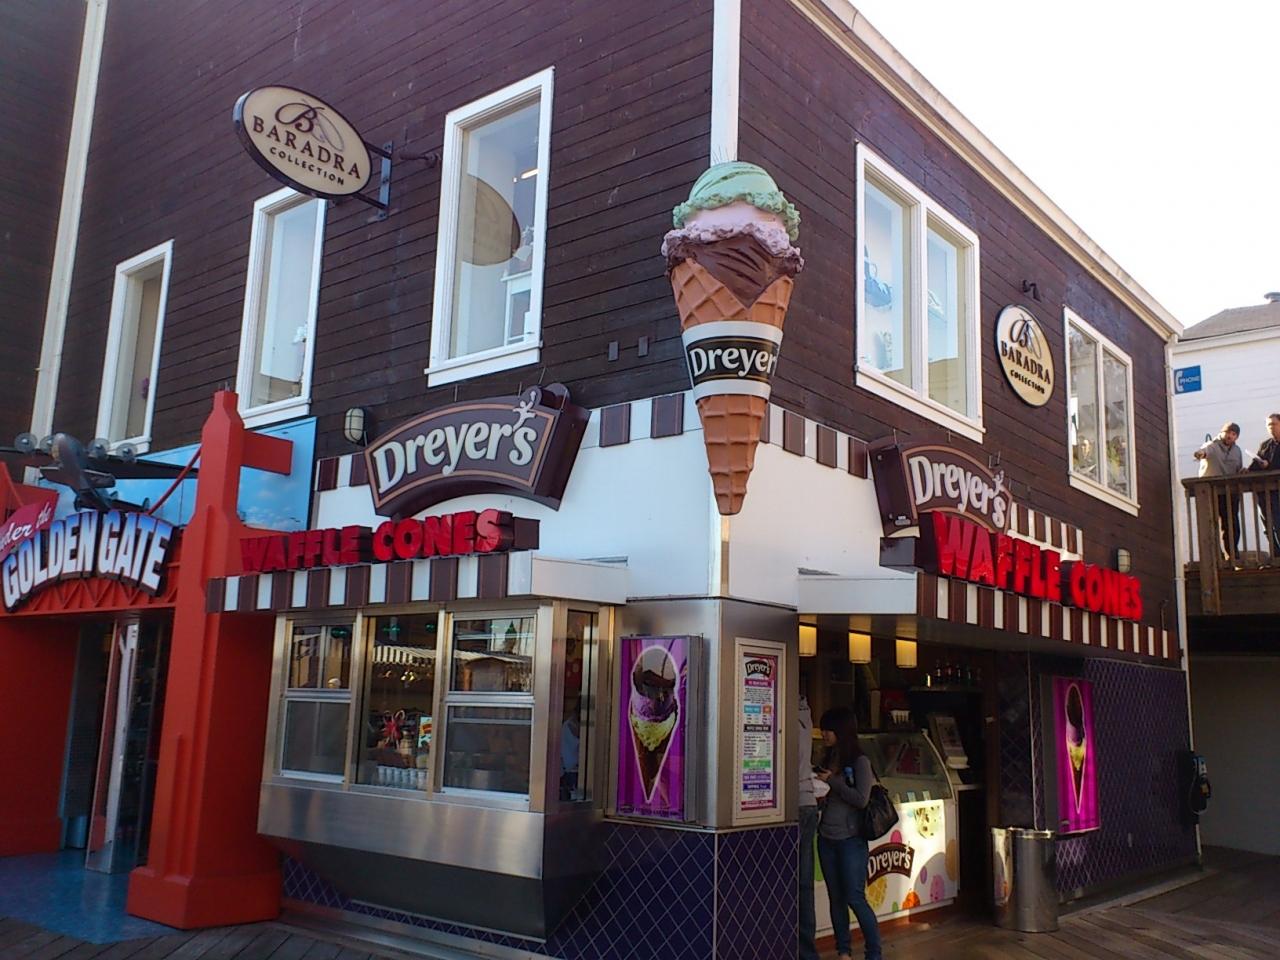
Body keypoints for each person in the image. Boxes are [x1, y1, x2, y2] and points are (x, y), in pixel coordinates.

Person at [815, 708, 882, 960]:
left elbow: (861, 799)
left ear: (841, 731)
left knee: (854, 897)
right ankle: (843, 951)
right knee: (836, 899)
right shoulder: (828, 757)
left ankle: (873, 953)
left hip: (851, 841)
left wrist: (832, 781)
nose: (824, 734)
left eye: (828, 729)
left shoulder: (859, 761)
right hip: (826, 838)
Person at [1194, 422, 1245, 560]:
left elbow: (1238, 469)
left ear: (1236, 437)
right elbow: (1204, 452)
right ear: (1221, 432)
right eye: (1227, 432)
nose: (1230, 436)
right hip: (1210, 492)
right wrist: (1199, 454)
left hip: (1230, 492)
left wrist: (1242, 472)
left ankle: (1232, 555)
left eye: (1233, 434)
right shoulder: (1212, 445)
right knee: (1211, 524)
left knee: (1232, 524)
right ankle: (1215, 555)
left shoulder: (1237, 451)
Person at [797, 694, 819, 960]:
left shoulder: (784, 715)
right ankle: (807, 951)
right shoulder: (804, 715)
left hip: (792, 804)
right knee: (804, 884)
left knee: (793, 883)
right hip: (808, 802)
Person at [1247, 413, 1280, 557]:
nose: (1271, 427)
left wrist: (1269, 465)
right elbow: (1257, 463)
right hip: (1264, 490)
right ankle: (1276, 555)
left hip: (1277, 488)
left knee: (1278, 523)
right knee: (1267, 525)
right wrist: (1248, 470)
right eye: (1268, 425)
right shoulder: (1265, 445)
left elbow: (1271, 465)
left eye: (1274, 424)